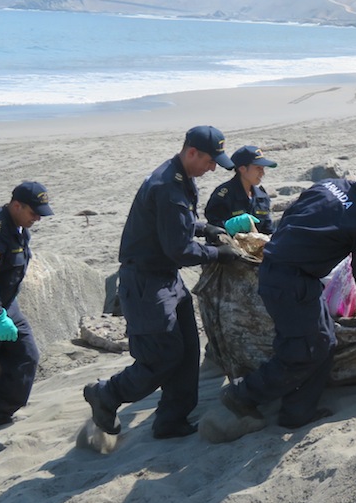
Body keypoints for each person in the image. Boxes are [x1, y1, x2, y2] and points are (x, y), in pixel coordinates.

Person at [219, 151, 356, 430]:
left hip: (285, 272)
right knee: (303, 350)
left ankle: (297, 412)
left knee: (325, 342)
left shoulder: (331, 186)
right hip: (290, 281)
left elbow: (290, 214)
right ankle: (243, 394)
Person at [83, 126, 240, 439]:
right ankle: (107, 394)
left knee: (187, 349)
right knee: (161, 355)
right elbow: (179, 250)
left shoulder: (179, 177)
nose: (212, 169)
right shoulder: (167, 186)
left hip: (166, 278)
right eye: (210, 161)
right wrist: (218, 253)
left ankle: (171, 419)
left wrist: (203, 228)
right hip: (146, 283)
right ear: (192, 152)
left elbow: (174, 224)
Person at [0, 182, 54, 431]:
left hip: (6, 307)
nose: (37, 218)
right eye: (34, 213)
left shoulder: (18, 227)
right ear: (17, 205)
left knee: (27, 357)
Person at [205, 145, 278, 235]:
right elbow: (211, 228)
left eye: (263, 168)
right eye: (258, 168)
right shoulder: (224, 195)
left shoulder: (262, 197)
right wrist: (228, 227)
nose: (262, 173)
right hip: (227, 247)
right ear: (242, 169)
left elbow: (267, 230)